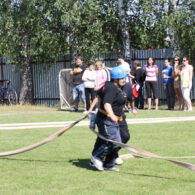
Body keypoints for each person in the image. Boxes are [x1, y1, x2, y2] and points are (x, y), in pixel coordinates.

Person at [90, 67, 136, 172]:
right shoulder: (111, 88)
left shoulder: (114, 87)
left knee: (117, 141)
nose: (124, 80)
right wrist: (112, 115)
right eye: (122, 78)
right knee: (113, 141)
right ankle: (96, 157)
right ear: (115, 80)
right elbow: (106, 103)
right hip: (106, 119)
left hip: (114, 119)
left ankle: (109, 165)